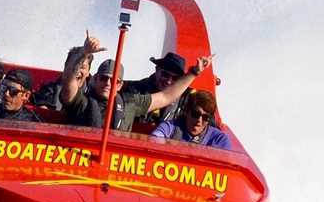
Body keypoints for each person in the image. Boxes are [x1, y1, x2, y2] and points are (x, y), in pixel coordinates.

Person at [60, 33, 212, 131]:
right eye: (103, 78)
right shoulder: (80, 102)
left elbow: (166, 96)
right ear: (94, 79)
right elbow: (69, 82)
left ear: (120, 85)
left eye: (114, 80)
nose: (108, 83)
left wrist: (193, 73)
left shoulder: (131, 103)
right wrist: (84, 53)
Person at [151, 90, 232, 150]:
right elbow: (154, 141)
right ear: (186, 111)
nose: (199, 120)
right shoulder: (169, 127)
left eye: (205, 117)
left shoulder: (219, 139)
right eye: (195, 114)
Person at [123, 52, 189, 125]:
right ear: (157, 70)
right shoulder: (134, 90)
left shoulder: (184, 102)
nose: (169, 81)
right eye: (165, 75)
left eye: (175, 78)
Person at [33, 45, 94, 110]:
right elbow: (42, 111)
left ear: (88, 72)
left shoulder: (94, 93)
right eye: (74, 66)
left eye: (82, 67)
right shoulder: (50, 90)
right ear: (65, 66)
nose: (77, 70)